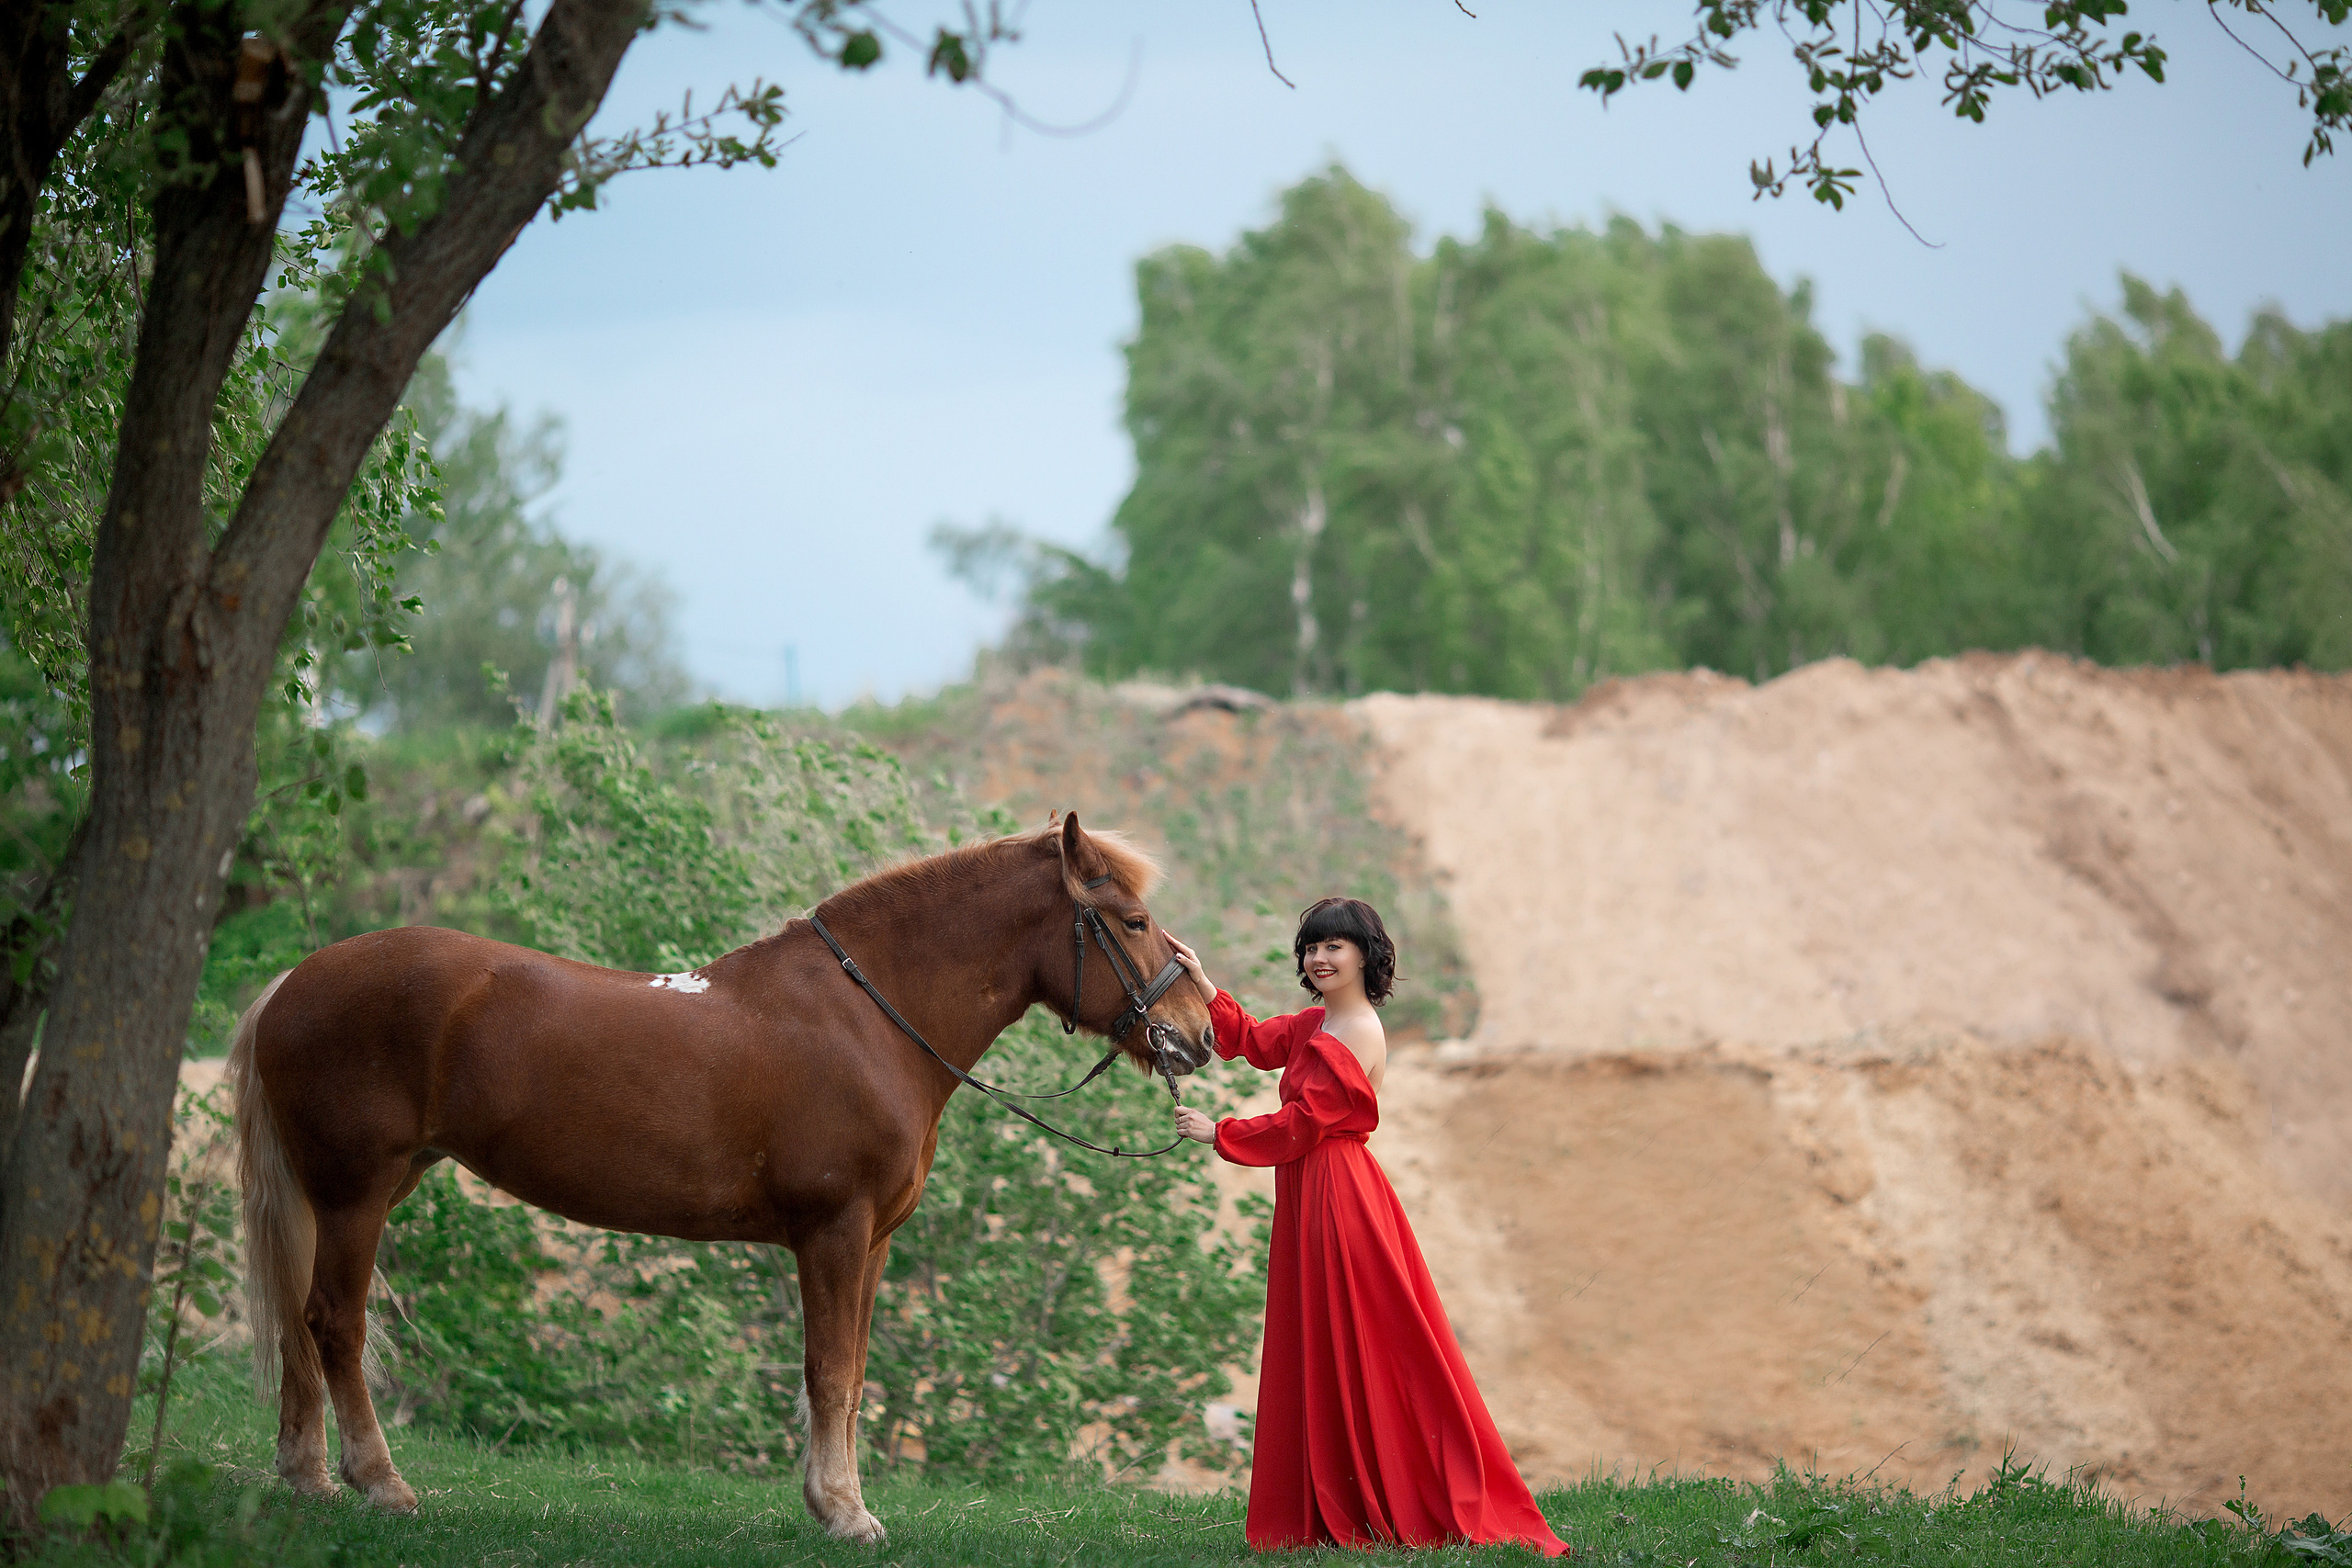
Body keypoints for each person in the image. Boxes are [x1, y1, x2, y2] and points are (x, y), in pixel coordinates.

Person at [1169, 898, 1571, 1558]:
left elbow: (1307, 1121)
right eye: (1311, 947)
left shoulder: (1358, 1029)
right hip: (1311, 1188)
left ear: (1366, 955)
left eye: (1335, 946)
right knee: (1326, 1335)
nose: (1320, 958)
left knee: (1364, 1337)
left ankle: (1390, 1486)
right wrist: (1206, 986)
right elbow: (1256, 1042)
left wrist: (1221, 1133)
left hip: (1337, 1192)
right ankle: (1343, 1486)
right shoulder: (1318, 1022)